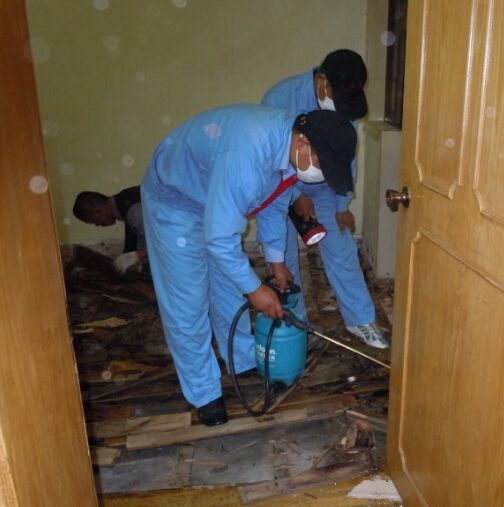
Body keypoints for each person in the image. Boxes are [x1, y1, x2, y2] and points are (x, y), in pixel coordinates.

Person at [141, 104, 356, 426]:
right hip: (176, 201)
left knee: (228, 287)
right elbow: (219, 238)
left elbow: (272, 206)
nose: (322, 174)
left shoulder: (289, 153)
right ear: (303, 143)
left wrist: (276, 262)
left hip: (213, 195)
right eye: (322, 164)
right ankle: (204, 392)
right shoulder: (249, 155)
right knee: (188, 300)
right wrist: (255, 289)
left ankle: (241, 361)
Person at [262, 49, 389, 349]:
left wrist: (343, 205)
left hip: (325, 183)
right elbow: (268, 161)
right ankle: (295, 322)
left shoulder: (345, 104)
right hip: (283, 183)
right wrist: (295, 196)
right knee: (283, 254)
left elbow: (347, 156)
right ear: (321, 82)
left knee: (341, 247)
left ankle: (360, 320)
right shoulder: (279, 99)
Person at [72, 187, 148, 273]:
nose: (98, 225)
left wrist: (138, 255)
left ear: (98, 212)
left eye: (94, 221)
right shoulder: (123, 203)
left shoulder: (134, 212)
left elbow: (161, 240)